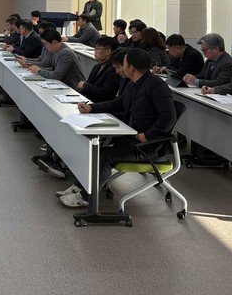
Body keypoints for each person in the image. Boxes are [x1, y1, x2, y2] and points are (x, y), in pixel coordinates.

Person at [60, 48, 176, 208]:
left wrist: (148, 135)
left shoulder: (156, 85)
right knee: (93, 152)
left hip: (149, 146)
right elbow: (118, 103)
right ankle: (78, 187)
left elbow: (168, 117)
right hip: (131, 139)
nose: (118, 69)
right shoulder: (134, 84)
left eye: (124, 63)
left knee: (104, 157)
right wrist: (92, 108)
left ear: (131, 67)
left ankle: (86, 197)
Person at [75, 36, 121, 102]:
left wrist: (85, 86)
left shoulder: (113, 70)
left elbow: (106, 93)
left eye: (97, 49)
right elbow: (89, 84)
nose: (95, 52)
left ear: (108, 52)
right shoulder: (97, 66)